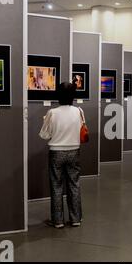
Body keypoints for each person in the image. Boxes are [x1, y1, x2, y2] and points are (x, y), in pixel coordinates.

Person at [39, 82, 86, 228]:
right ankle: (76, 218)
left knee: (56, 185)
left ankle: (58, 220)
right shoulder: (79, 111)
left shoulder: (52, 113)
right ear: (73, 95)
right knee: (74, 184)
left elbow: (44, 135)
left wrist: (45, 122)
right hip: (74, 151)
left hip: (56, 152)